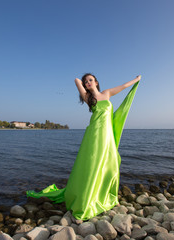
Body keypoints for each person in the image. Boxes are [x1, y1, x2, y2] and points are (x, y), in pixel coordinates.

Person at [26, 73, 141, 220]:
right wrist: (84, 84)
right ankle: (87, 198)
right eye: (86, 82)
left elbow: (123, 86)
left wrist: (136, 80)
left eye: (91, 80)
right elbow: (76, 80)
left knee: (109, 164)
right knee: (92, 164)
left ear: (97, 82)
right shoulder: (88, 98)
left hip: (107, 135)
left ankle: (104, 195)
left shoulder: (106, 93)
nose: (88, 83)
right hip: (94, 134)